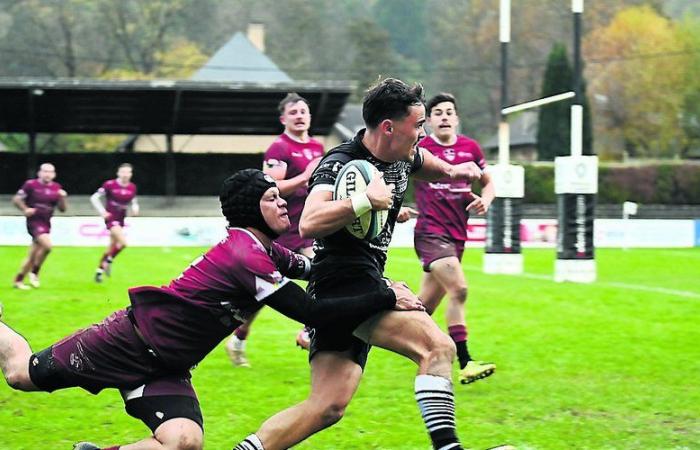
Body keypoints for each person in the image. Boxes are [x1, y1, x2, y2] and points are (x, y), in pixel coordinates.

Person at [0, 169, 421, 450]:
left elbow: (318, 271)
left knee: (184, 442)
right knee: (20, 375)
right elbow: (311, 311)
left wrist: (373, 231)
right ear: (254, 206)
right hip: (125, 343)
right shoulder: (245, 256)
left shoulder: (265, 249)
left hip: (167, 366)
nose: (284, 206)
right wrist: (385, 297)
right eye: (274, 199)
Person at [232, 78, 484, 450]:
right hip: (344, 278)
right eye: (417, 125)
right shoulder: (340, 163)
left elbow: (423, 162)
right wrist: (361, 201)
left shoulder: (403, 152)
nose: (423, 133)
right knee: (438, 348)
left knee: (326, 407)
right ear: (388, 127)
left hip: (351, 280)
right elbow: (309, 221)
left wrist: (453, 171)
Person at [226, 93, 324, 366]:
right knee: (262, 292)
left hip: (308, 225)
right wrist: (305, 177)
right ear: (283, 119)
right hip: (282, 228)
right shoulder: (279, 148)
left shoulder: (317, 147)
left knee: (320, 273)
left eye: (303, 111)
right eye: (293, 112)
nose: (300, 116)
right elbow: (270, 187)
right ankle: (239, 337)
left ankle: (307, 330)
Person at [411, 93, 496, 385]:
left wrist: (485, 200)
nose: (444, 117)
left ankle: (365, 339)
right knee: (459, 289)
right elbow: (395, 175)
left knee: (421, 308)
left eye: (449, 112)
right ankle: (466, 361)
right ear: (429, 120)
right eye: (437, 112)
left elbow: (489, 183)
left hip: (457, 234)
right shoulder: (421, 149)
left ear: (457, 118)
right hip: (431, 232)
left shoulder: (470, 148)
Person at [12, 163, 67, 289]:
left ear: (54, 174)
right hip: (34, 222)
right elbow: (16, 199)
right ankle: (35, 272)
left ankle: (18, 280)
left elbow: (62, 209)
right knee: (47, 246)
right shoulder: (31, 185)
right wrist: (25, 209)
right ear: (39, 173)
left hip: (46, 222)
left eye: (50, 172)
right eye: (45, 171)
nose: (47, 174)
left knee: (32, 255)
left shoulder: (56, 187)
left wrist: (63, 198)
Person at [90, 163, 139, 283]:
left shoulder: (132, 187)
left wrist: (135, 207)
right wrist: (102, 211)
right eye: (123, 172)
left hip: (121, 218)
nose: (125, 174)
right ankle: (108, 261)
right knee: (123, 243)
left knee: (111, 247)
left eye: (128, 172)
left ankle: (99, 271)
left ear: (131, 174)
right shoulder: (110, 185)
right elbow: (94, 198)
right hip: (111, 218)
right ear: (118, 173)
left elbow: (133, 200)